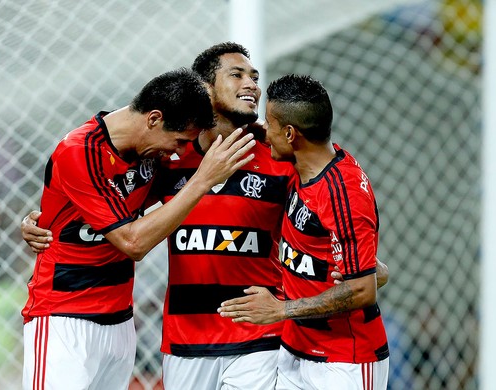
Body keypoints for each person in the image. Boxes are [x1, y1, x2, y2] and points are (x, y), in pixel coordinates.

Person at [22, 43, 390, 389]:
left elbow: (337, 226)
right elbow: (119, 211)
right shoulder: (167, 156)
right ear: (204, 88)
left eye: (255, 77)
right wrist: (49, 219)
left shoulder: (281, 158)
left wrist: (367, 272)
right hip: (182, 340)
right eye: (237, 75)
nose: (251, 85)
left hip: (259, 338)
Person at [20, 67, 257, 390]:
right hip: (64, 318)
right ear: (154, 119)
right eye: (178, 141)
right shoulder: (80, 151)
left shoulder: (153, 150)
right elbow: (133, 242)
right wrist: (202, 180)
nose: (179, 153)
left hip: (119, 321)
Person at [218, 74, 390, 389]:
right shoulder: (303, 167)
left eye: (268, 125)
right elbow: (373, 273)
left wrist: (280, 309)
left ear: (290, 133)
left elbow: (364, 290)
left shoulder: (343, 193)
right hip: (295, 351)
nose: (264, 134)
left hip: (345, 361)